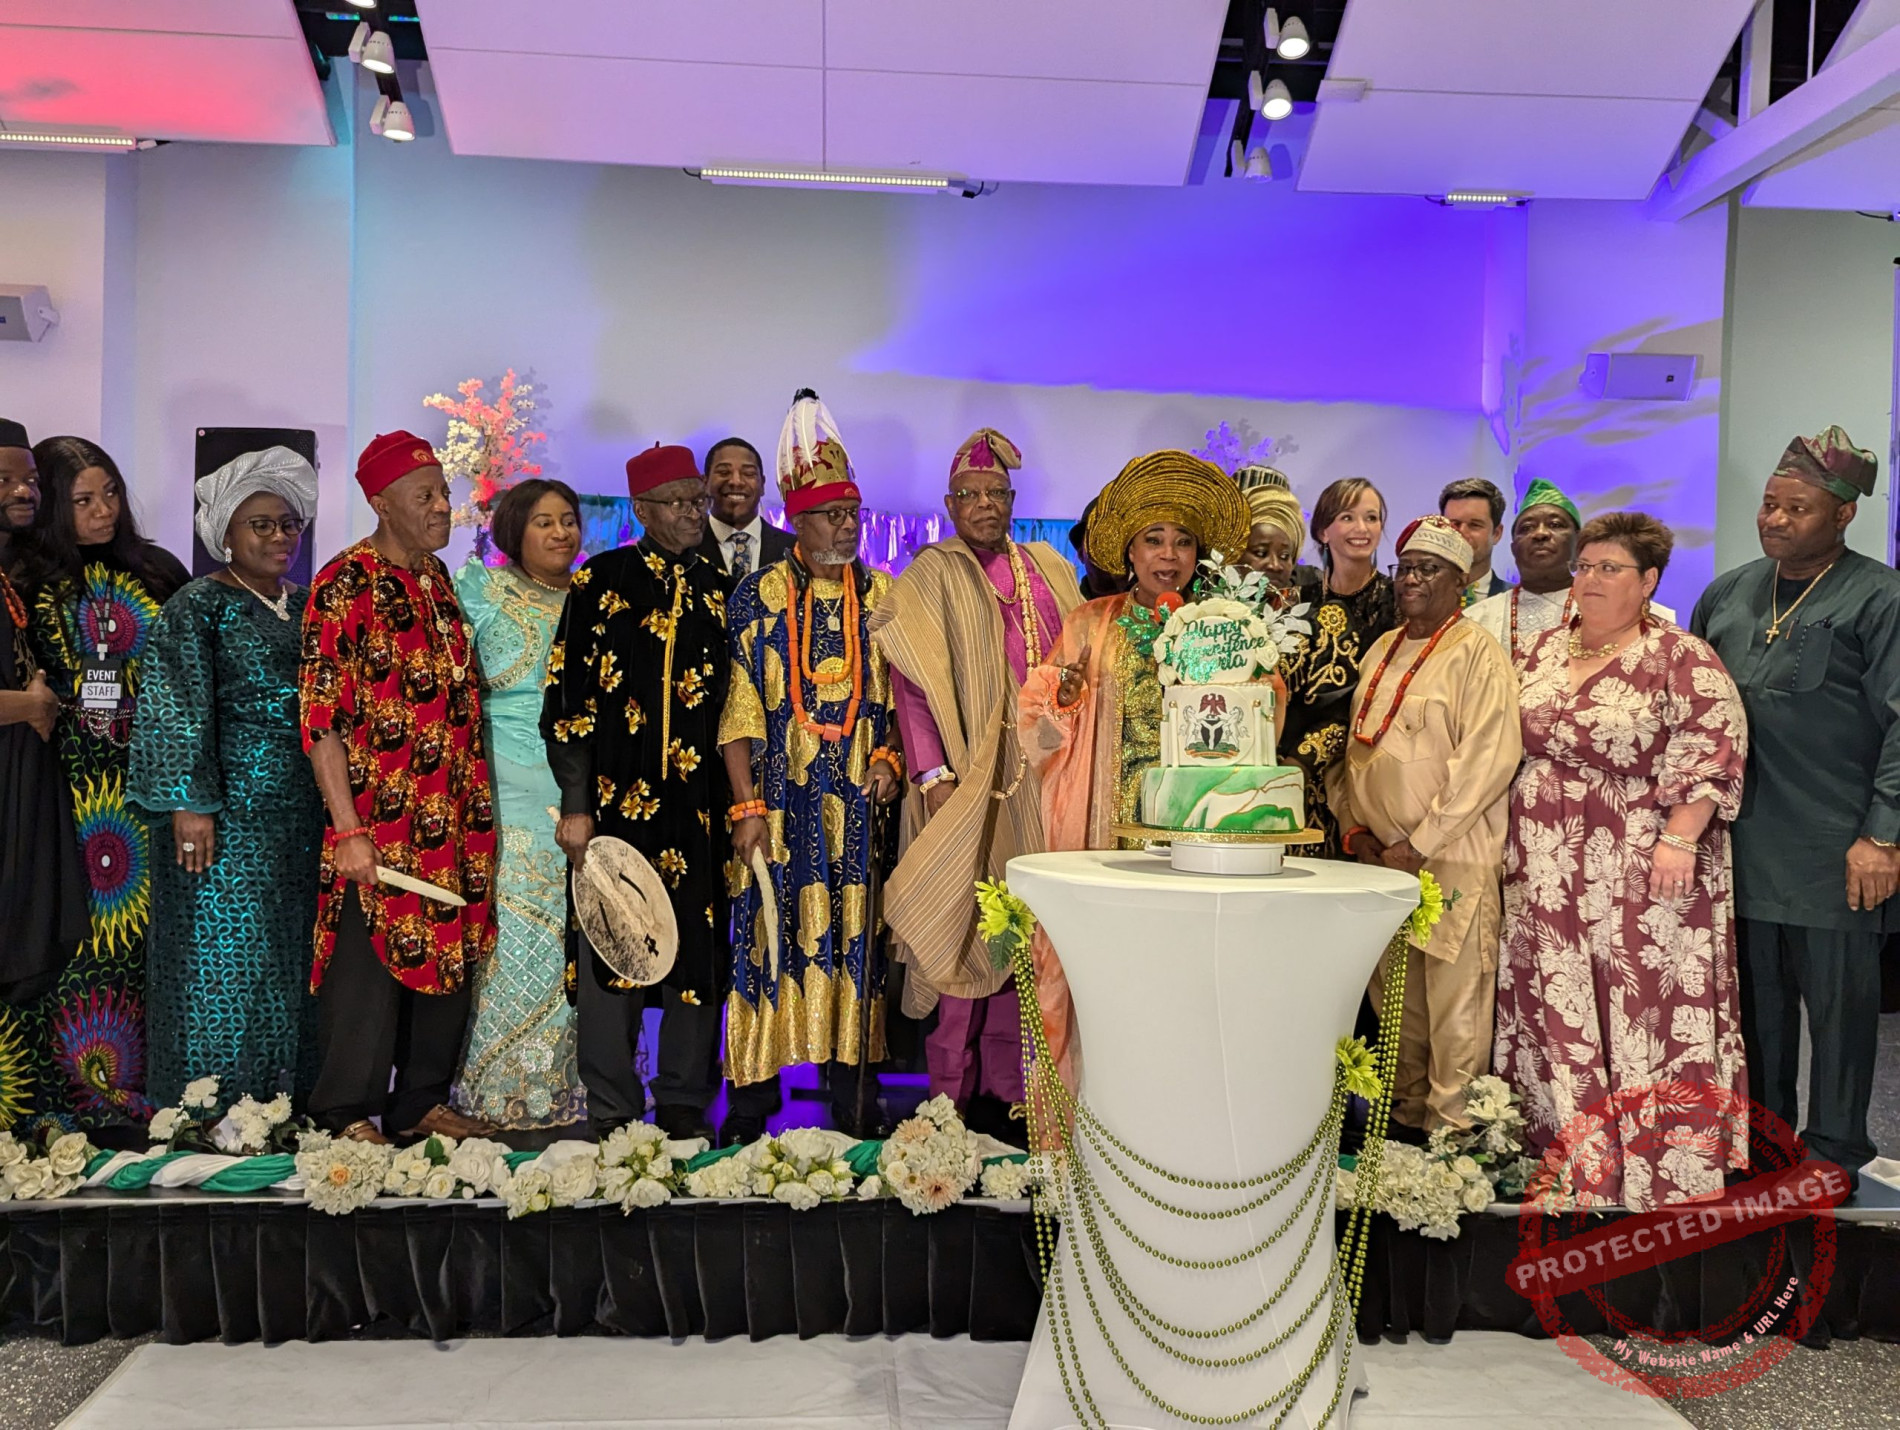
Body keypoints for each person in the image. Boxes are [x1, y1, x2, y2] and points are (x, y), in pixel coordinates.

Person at [1500, 512, 1749, 1207]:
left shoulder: (1680, 656)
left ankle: (1657, 1166)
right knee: (1557, 1006)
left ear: (1649, 582)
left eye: (1610, 568)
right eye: (1585, 567)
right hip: (1544, 868)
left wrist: (1680, 838)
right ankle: (1573, 1161)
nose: (1591, 579)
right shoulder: (1544, 650)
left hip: (1640, 863)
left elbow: (1714, 748)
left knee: (1641, 1002)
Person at [1691, 426, 1900, 1192]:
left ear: (1842, 515)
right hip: (1740, 845)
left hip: (1836, 848)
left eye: (1797, 508)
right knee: (1755, 1011)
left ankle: (1836, 1153)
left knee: (1841, 1013)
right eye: (1770, 505)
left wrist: (1884, 834)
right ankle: (1763, 1147)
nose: (1775, 519)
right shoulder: (1729, 592)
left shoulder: (1881, 599)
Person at [870, 428, 1083, 1128]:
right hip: (964, 780)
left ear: (1013, 501)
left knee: (1023, 933)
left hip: (1044, 779)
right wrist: (931, 773)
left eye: (997, 494)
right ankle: (945, 1098)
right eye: (972, 495)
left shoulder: (1048, 566)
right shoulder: (931, 573)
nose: (986, 506)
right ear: (949, 503)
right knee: (962, 929)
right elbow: (913, 686)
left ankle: (1007, 1092)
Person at [1018, 451, 1249, 1092]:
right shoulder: (1093, 623)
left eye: (1182, 541)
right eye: (1154, 539)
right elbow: (1036, 718)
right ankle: (1084, 1124)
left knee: (1182, 978)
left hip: (1194, 835)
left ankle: (1174, 1115)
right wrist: (1060, 697)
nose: (1168, 555)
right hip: (1103, 832)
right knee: (1096, 973)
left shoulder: (1224, 629)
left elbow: (1261, 714)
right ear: (1129, 549)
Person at [299, 432, 497, 1144]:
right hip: (378, 820)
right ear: (381, 504)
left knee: (447, 955)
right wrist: (347, 828)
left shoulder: (439, 580)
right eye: (427, 497)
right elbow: (320, 718)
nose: (445, 506)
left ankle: (419, 1104)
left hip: (453, 811)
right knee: (367, 965)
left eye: (444, 492)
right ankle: (346, 1110)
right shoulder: (343, 581)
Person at [719, 391, 903, 1145]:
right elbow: (736, 713)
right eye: (832, 516)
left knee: (854, 938)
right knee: (767, 933)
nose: (846, 528)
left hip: (859, 802)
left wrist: (890, 757)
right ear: (797, 517)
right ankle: (757, 1099)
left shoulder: (885, 597)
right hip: (782, 803)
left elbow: (902, 704)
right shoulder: (758, 595)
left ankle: (853, 1093)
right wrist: (746, 808)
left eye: (854, 515)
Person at [543, 446, 732, 1142]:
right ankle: (612, 1104)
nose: (693, 514)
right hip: (616, 806)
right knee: (610, 946)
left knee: (697, 950)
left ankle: (683, 1099)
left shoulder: (719, 587)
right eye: (679, 503)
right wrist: (575, 801)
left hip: (697, 807)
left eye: (698, 502)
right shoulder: (600, 581)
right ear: (644, 510)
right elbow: (566, 698)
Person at [128, 448, 324, 1108]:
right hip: (224, 821)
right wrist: (189, 803)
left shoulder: (306, 606)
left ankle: (279, 1108)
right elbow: (175, 703)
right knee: (218, 963)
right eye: (260, 525)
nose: (278, 537)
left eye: (288, 523)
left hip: (299, 818)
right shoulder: (198, 605)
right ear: (226, 534)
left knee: (284, 963)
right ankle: (204, 1115)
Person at [15, 436, 187, 1133]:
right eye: (83, 499)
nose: (103, 510)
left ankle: (146, 1101)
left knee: (142, 944)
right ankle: (67, 1105)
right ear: (55, 503)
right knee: (76, 940)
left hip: (144, 794)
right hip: (66, 796)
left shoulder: (155, 572)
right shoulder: (27, 582)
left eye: (110, 492)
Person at [1335, 516, 1522, 1133]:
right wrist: (1355, 828)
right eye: (1406, 568)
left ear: (1462, 580)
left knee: (1454, 1013)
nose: (1412, 579)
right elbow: (1357, 755)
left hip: (1450, 859)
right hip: (1382, 865)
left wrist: (1419, 844)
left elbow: (1489, 760)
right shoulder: (1381, 648)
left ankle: (1453, 1150)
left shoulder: (1479, 654)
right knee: (1399, 1014)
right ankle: (1406, 1140)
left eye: (1429, 569)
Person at [454, 478, 587, 1131]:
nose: (561, 532)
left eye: (568, 520)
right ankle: (502, 1093)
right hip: (505, 794)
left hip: (581, 792)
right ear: (513, 529)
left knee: (580, 942)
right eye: (544, 522)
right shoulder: (477, 592)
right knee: (515, 943)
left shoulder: (597, 600)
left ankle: (566, 1094)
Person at [0, 420, 88, 1040]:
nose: (24, 491)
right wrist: (29, 707)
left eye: (30, 479)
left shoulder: (10, 572)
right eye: (5, 479)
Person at [1276, 478, 1397, 856]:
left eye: (1372, 518)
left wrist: (1305, 758)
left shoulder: (1395, 604)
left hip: (1356, 773)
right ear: (1323, 530)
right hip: (1281, 770)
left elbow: (1377, 696)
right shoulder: (1296, 600)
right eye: (1348, 517)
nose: (1362, 529)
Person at [698, 437, 795, 580]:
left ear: (762, 484)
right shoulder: (684, 546)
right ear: (704, 483)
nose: (736, 481)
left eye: (749, 474)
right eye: (724, 472)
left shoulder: (794, 550)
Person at [1234, 465, 1320, 607]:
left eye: (1285, 556)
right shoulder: (1201, 606)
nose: (1275, 566)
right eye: (1261, 553)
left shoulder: (1313, 596)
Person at [1438, 477, 1509, 606]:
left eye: (1475, 525)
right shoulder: (1418, 595)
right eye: (1454, 524)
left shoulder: (1517, 601)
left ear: (1497, 534)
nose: (1462, 533)